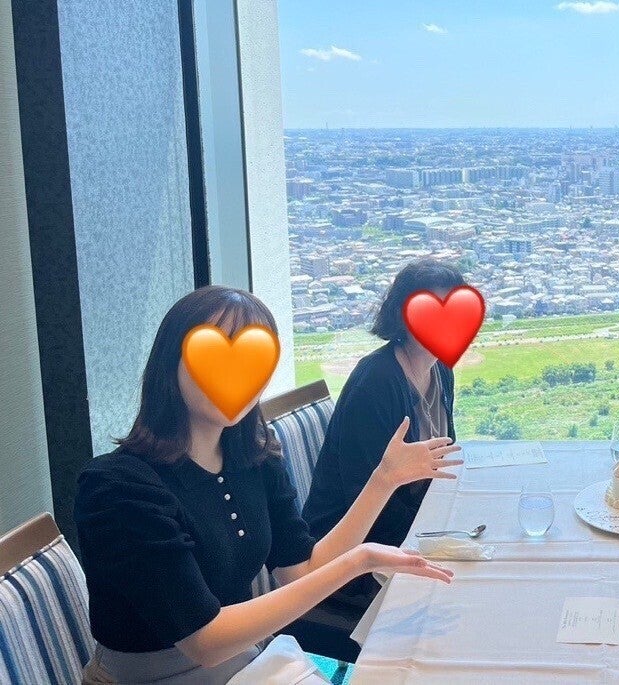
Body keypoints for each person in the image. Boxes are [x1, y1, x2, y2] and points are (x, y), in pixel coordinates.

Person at [74, 286, 462, 684]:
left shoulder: (254, 458)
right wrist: (358, 561)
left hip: (245, 663)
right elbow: (205, 642)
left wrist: (384, 479)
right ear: (170, 363)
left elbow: (302, 571)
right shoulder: (118, 488)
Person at [302, 260, 464, 601]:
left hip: (409, 532)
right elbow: (363, 494)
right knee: (459, 590)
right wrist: (434, 541)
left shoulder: (441, 371)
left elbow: (440, 459)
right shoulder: (376, 381)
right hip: (348, 554)